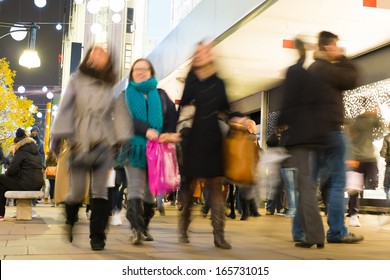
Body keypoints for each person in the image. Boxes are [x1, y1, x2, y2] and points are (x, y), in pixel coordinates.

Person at [50, 45, 126, 251]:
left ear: (107, 61)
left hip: (103, 143)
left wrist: (119, 139)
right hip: (79, 143)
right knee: (76, 192)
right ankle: (70, 218)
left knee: (100, 191)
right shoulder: (76, 79)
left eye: (103, 54)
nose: (99, 56)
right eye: (95, 53)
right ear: (89, 58)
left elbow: (118, 112)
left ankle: (98, 237)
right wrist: (57, 137)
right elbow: (65, 107)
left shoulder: (111, 85)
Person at [177, 42, 248, 249]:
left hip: (214, 139)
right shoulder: (192, 79)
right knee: (190, 188)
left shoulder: (219, 82)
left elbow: (226, 107)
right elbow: (183, 105)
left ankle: (219, 235)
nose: (201, 54)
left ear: (211, 55)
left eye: (205, 51)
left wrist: (240, 119)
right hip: (194, 138)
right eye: (198, 52)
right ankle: (183, 226)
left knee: (216, 188)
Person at [308, 31, 363, 244]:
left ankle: (302, 232)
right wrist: (342, 57)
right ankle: (337, 231)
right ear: (329, 46)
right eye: (336, 46)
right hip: (331, 132)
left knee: (309, 184)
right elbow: (352, 78)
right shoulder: (327, 68)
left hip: (315, 135)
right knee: (338, 182)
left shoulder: (311, 69)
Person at [118, 58, 179, 245]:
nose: (141, 72)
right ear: (132, 73)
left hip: (157, 150)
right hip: (133, 148)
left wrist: (168, 134)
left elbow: (172, 116)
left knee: (150, 192)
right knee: (135, 187)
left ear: (151, 72)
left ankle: (144, 226)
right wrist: (146, 131)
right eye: (137, 69)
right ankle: (136, 228)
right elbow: (123, 120)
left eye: (145, 69)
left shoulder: (159, 94)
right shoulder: (124, 95)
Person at [0, 128, 44, 221]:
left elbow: (11, 171)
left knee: (1, 178)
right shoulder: (35, 152)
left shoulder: (21, 152)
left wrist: (7, 172)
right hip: (37, 184)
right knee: (2, 186)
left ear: (18, 143)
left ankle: (0, 214)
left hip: (26, 183)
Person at [347, 107, 380, 227]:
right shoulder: (367, 122)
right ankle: (354, 214)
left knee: (355, 188)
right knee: (369, 183)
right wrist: (375, 115)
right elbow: (380, 128)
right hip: (365, 158)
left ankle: (354, 214)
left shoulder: (356, 122)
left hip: (360, 158)